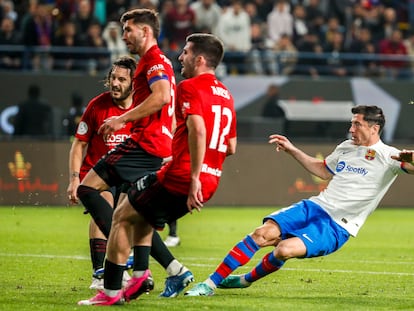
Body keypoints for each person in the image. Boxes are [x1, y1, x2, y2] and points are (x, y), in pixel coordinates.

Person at [184, 105, 414, 296]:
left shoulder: (389, 156)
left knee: (283, 250)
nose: (351, 129)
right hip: (315, 206)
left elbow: (410, 167)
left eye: (357, 124)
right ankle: (210, 284)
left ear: (374, 128)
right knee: (261, 233)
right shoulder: (346, 148)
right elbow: (323, 171)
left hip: (338, 226)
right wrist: (292, 149)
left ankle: (245, 280)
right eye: (352, 123)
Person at [77, 32, 237, 306]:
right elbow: (230, 146)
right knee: (138, 214)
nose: (181, 56)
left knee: (121, 217)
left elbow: (197, 130)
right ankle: (157, 272)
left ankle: (114, 291)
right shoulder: (226, 95)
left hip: (182, 176)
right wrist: (202, 173)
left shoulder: (190, 86)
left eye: (185, 52)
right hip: (211, 182)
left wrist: (193, 176)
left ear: (199, 59)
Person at [76, 8, 192, 298]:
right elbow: (171, 107)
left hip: (144, 143)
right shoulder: (159, 61)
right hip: (158, 146)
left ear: (145, 30)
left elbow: (162, 96)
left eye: (128, 29)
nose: (124, 35)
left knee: (88, 189)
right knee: (136, 213)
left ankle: (122, 250)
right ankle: (148, 273)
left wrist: (122, 119)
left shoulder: (152, 60)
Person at [67, 56, 137, 290]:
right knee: (105, 208)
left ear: (133, 83)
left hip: (128, 177)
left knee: (127, 220)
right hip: (99, 175)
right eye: (112, 78)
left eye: (121, 79)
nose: (115, 83)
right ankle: (99, 274)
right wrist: (75, 178)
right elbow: (79, 143)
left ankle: (124, 268)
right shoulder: (97, 105)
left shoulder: (142, 108)